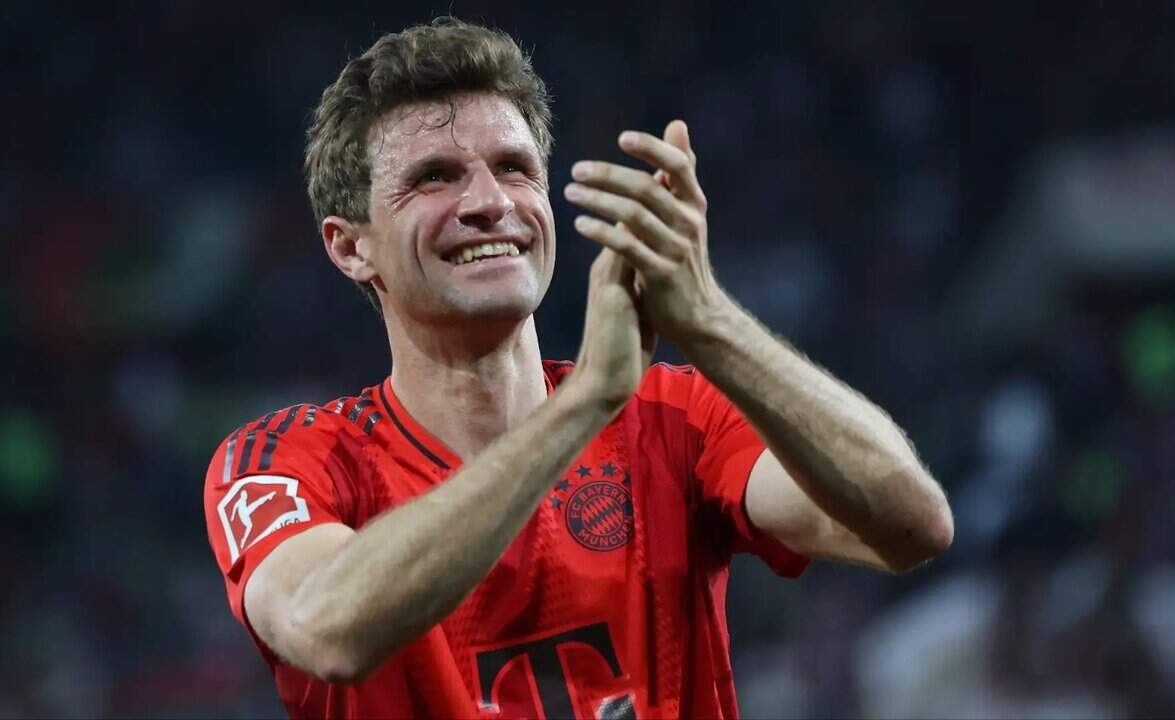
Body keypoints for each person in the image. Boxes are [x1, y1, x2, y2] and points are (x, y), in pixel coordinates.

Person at [203, 16, 953, 719]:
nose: (490, 202)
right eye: (434, 177)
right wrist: (584, 403)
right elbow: (327, 630)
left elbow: (911, 524)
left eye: (514, 168)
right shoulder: (289, 459)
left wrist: (710, 321)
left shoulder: (673, 418)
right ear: (349, 246)